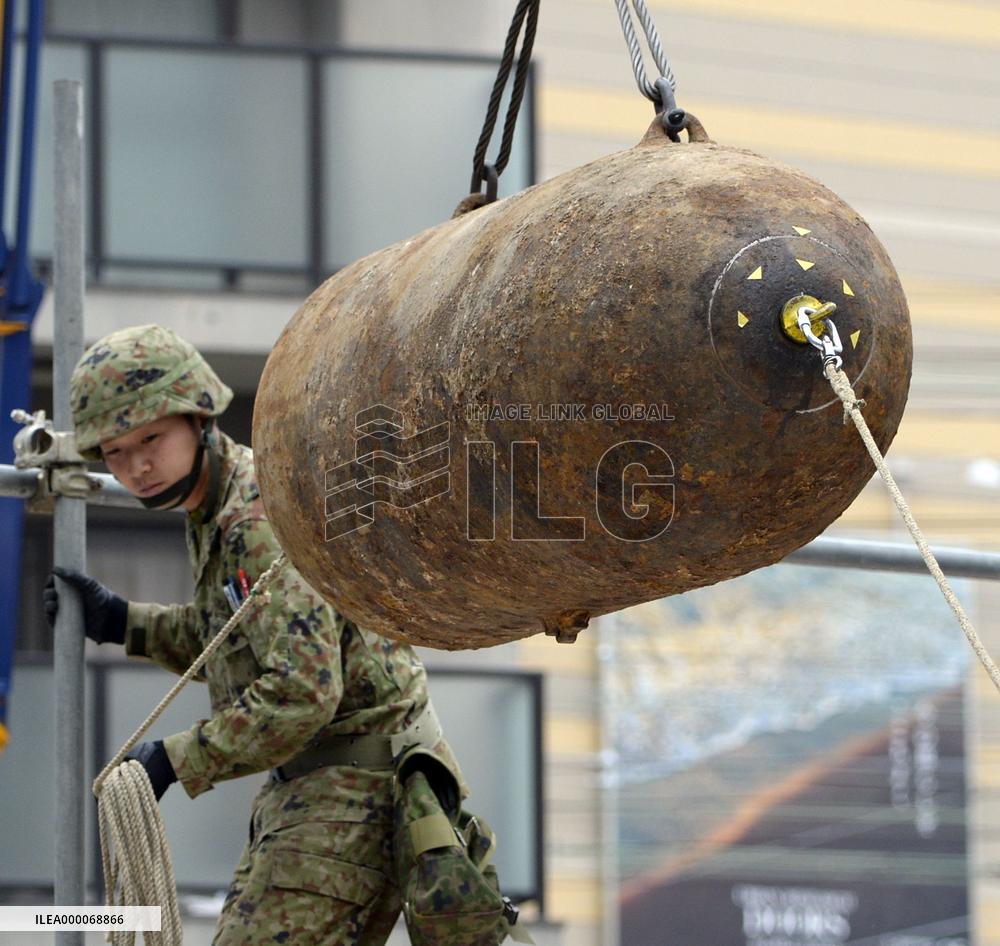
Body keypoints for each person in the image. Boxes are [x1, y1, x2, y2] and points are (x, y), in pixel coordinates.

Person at [43, 323, 466, 946]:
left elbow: (303, 691)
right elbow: (233, 637)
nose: (136, 466)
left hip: (349, 791)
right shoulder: (212, 507)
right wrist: (122, 622)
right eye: (114, 452)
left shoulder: (254, 518)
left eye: (151, 439)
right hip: (316, 790)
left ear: (199, 417)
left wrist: (173, 760)